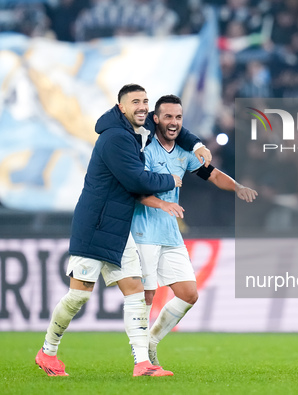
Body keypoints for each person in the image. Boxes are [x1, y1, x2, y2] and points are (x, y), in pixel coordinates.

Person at [35, 84, 212, 378]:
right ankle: (48, 351)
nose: (142, 106)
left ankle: (142, 363)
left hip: (119, 227)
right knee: (78, 296)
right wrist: (169, 180)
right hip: (95, 227)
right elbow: (134, 180)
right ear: (121, 107)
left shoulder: (131, 134)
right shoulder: (116, 138)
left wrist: (195, 144)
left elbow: (173, 127)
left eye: (145, 101)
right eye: (135, 102)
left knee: (135, 291)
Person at [130, 95, 257, 368]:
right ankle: (141, 359)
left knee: (189, 294)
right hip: (143, 230)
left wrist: (237, 187)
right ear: (156, 119)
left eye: (178, 117)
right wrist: (163, 203)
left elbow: (212, 174)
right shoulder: (144, 149)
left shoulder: (184, 153)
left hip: (170, 233)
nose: (173, 122)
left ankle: (151, 342)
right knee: (147, 295)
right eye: (168, 117)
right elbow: (135, 190)